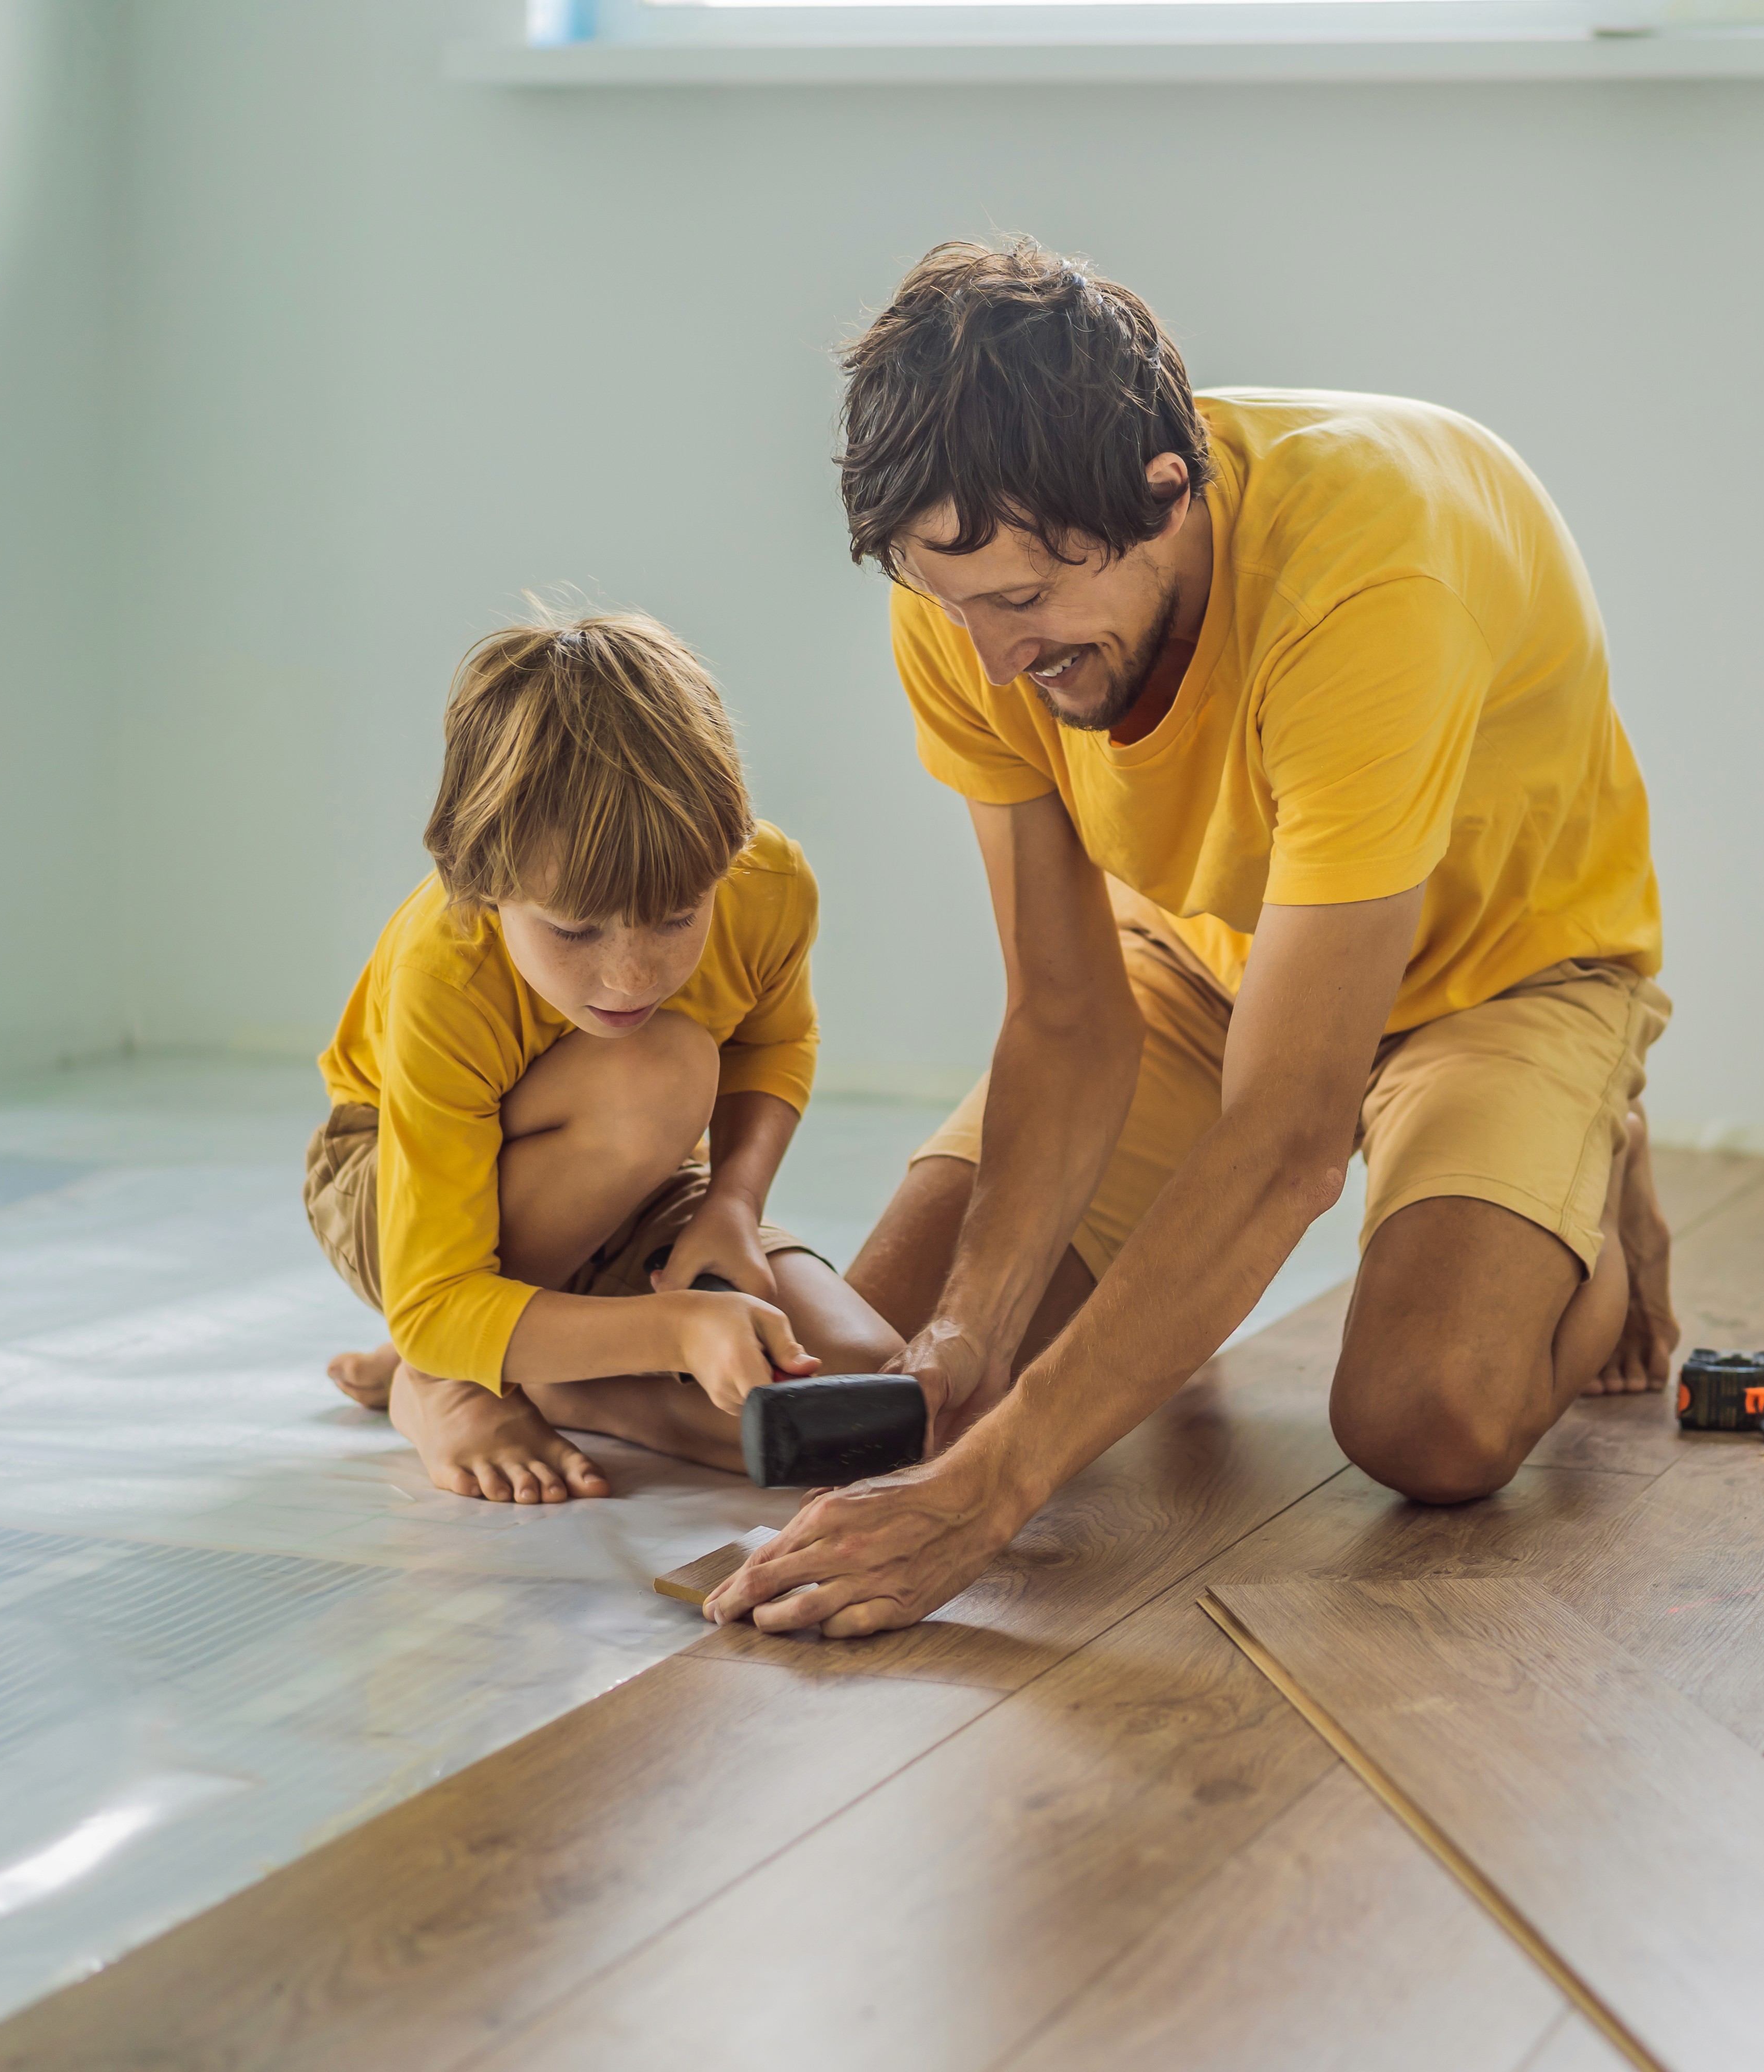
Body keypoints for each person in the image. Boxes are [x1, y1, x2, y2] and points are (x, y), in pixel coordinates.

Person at [702, 239, 1671, 1635]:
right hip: (1210, 957)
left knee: (1430, 1421)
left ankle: (1597, 1181)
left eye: (1025, 605)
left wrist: (994, 1493)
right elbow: (1064, 1010)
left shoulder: (1370, 575)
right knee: (887, 1369)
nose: (991, 661)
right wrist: (973, 1332)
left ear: (1169, 497)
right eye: (949, 601)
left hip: (1498, 978)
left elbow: (1288, 1139)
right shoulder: (973, 596)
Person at [308, 609, 902, 1502]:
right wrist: (674, 1332)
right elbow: (434, 1295)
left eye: (676, 919)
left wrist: (735, 1204)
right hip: (390, 1184)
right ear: (482, 879)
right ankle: (446, 1378)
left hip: (635, 1176)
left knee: (864, 1382)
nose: (630, 975)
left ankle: (550, 1371)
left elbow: (775, 1041)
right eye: (574, 930)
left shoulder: (768, 882)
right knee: (658, 1071)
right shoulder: (447, 966)